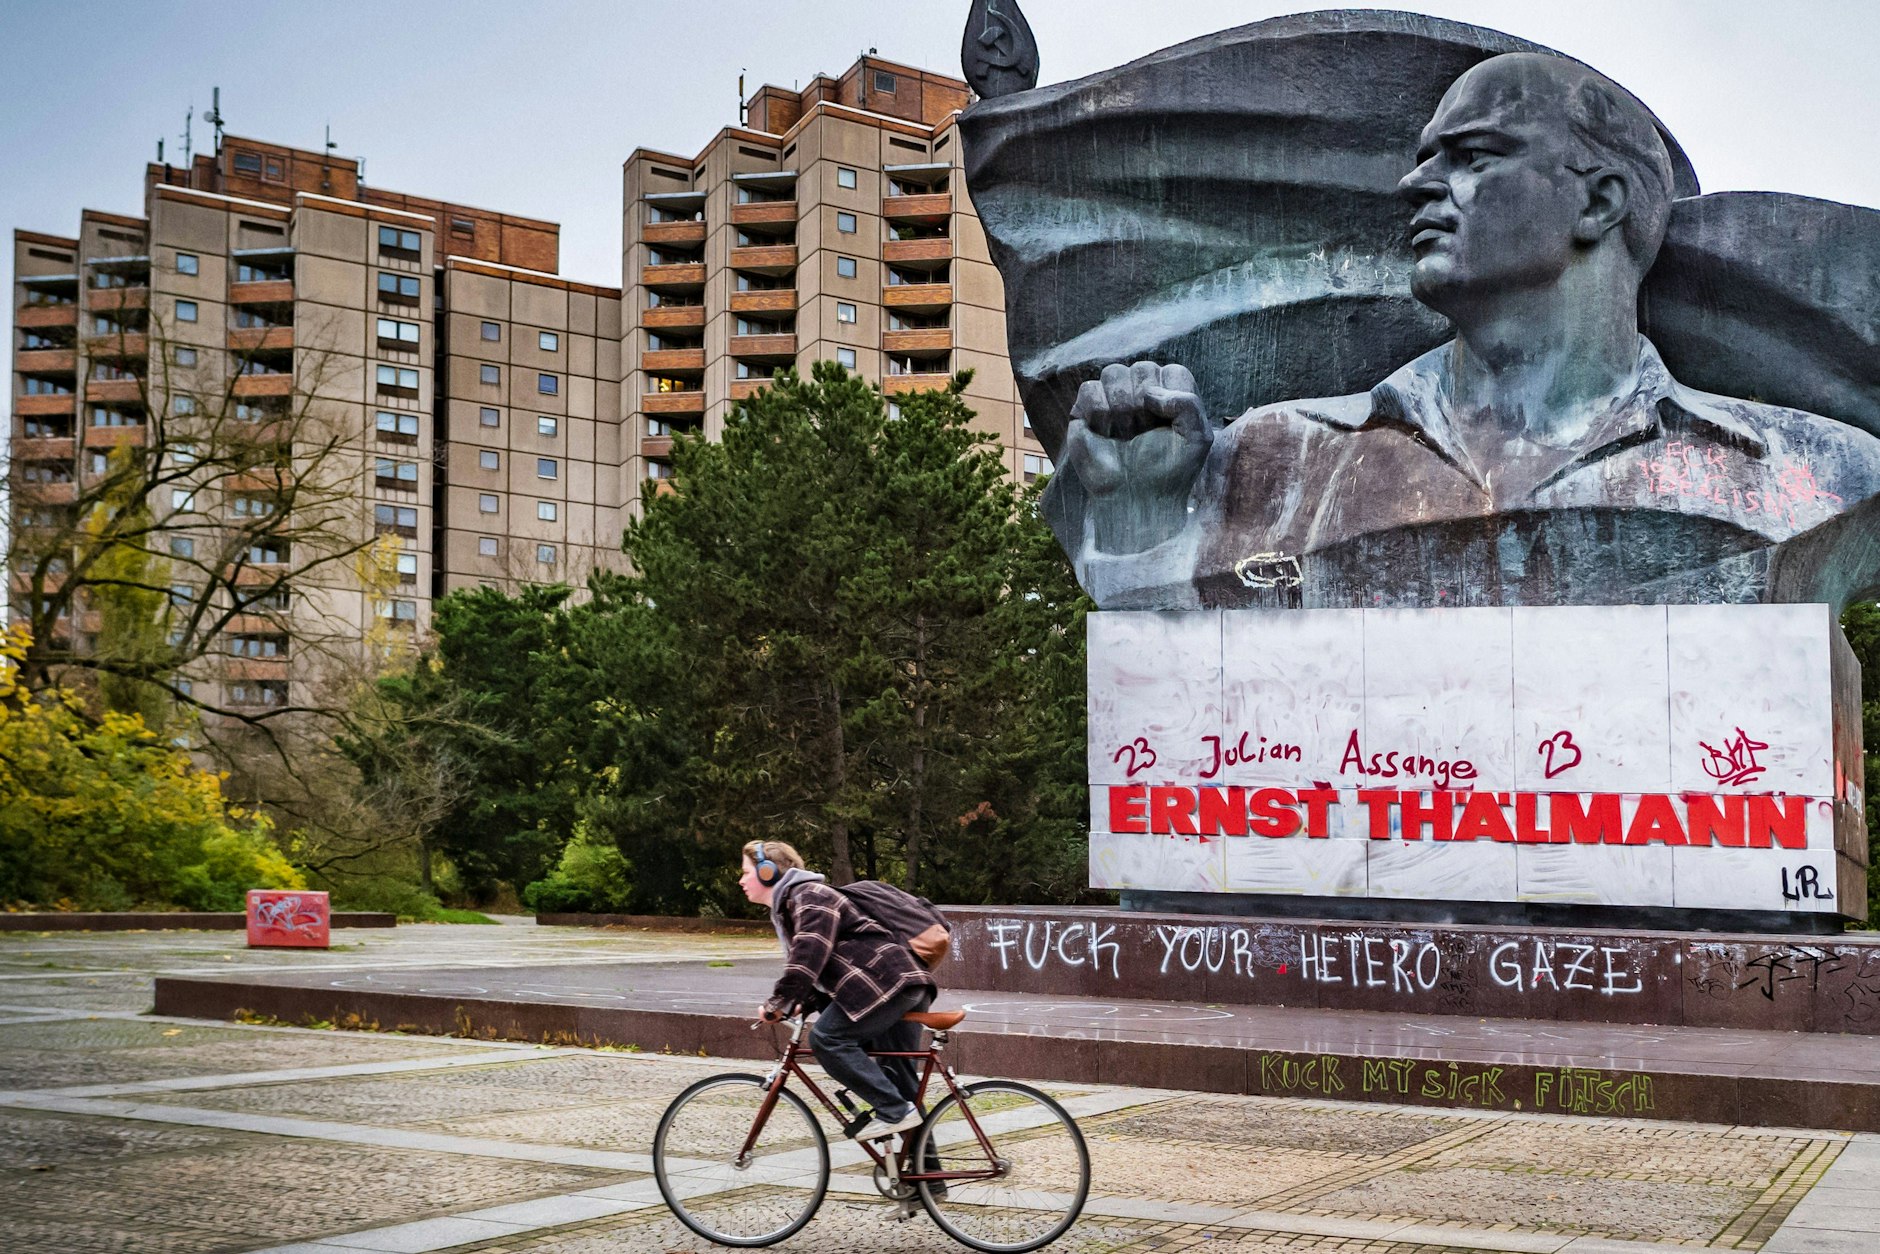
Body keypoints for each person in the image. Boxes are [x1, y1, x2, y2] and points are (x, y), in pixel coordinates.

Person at [1051, 52, 1880, 612]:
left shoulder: (1817, 472)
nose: (1417, 184)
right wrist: (1138, 525)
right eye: (1425, 158)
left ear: (1598, 202)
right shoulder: (1273, 458)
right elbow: (1169, 711)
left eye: (1473, 156)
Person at [739, 839, 936, 1141]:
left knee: (827, 1038)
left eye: (745, 871)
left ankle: (893, 1111)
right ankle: (926, 1180)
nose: (741, 880)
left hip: (886, 984)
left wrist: (779, 1001)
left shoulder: (810, 895)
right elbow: (832, 965)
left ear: (768, 872)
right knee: (902, 1083)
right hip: (897, 984)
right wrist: (800, 1004)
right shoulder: (797, 902)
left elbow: (810, 953)